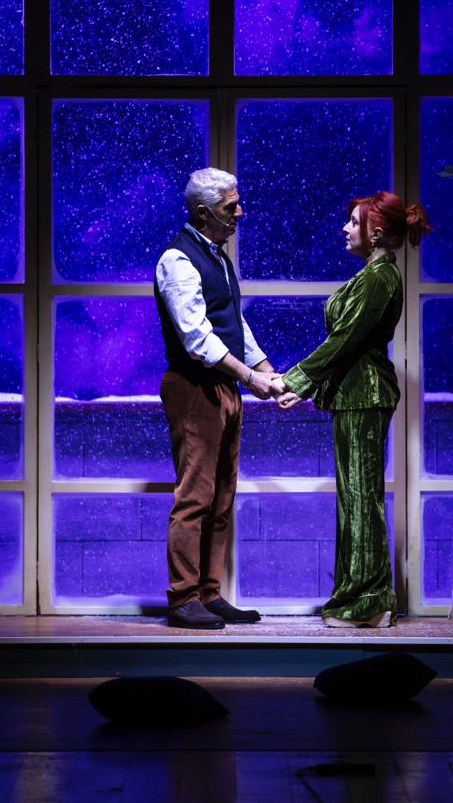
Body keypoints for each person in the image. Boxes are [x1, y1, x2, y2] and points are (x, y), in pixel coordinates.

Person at [273, 192, 431, 628]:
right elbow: (345, 343)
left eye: (353, 222)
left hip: (365, 395)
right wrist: (306, 385)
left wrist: (297, 380)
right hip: (354, 395)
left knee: (361, 499)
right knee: (354, 498)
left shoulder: (380, 278)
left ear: (374, 233)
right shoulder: (372, 275)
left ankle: (369, 601)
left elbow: (345, 341)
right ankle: (362, 597)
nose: (345, 228)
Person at [155, 168, 280, 630]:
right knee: (195, 497)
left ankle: (209, 593)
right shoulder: (178, 260)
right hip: (194, 388)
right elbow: (197, 338)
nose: (240, 212)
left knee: (222, 497)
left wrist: (267, 372)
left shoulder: (219, 259)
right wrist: (249, 377)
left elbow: (232, 325)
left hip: (223, 387)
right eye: (231, 207)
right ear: (204, 213)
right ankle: (184, 597)